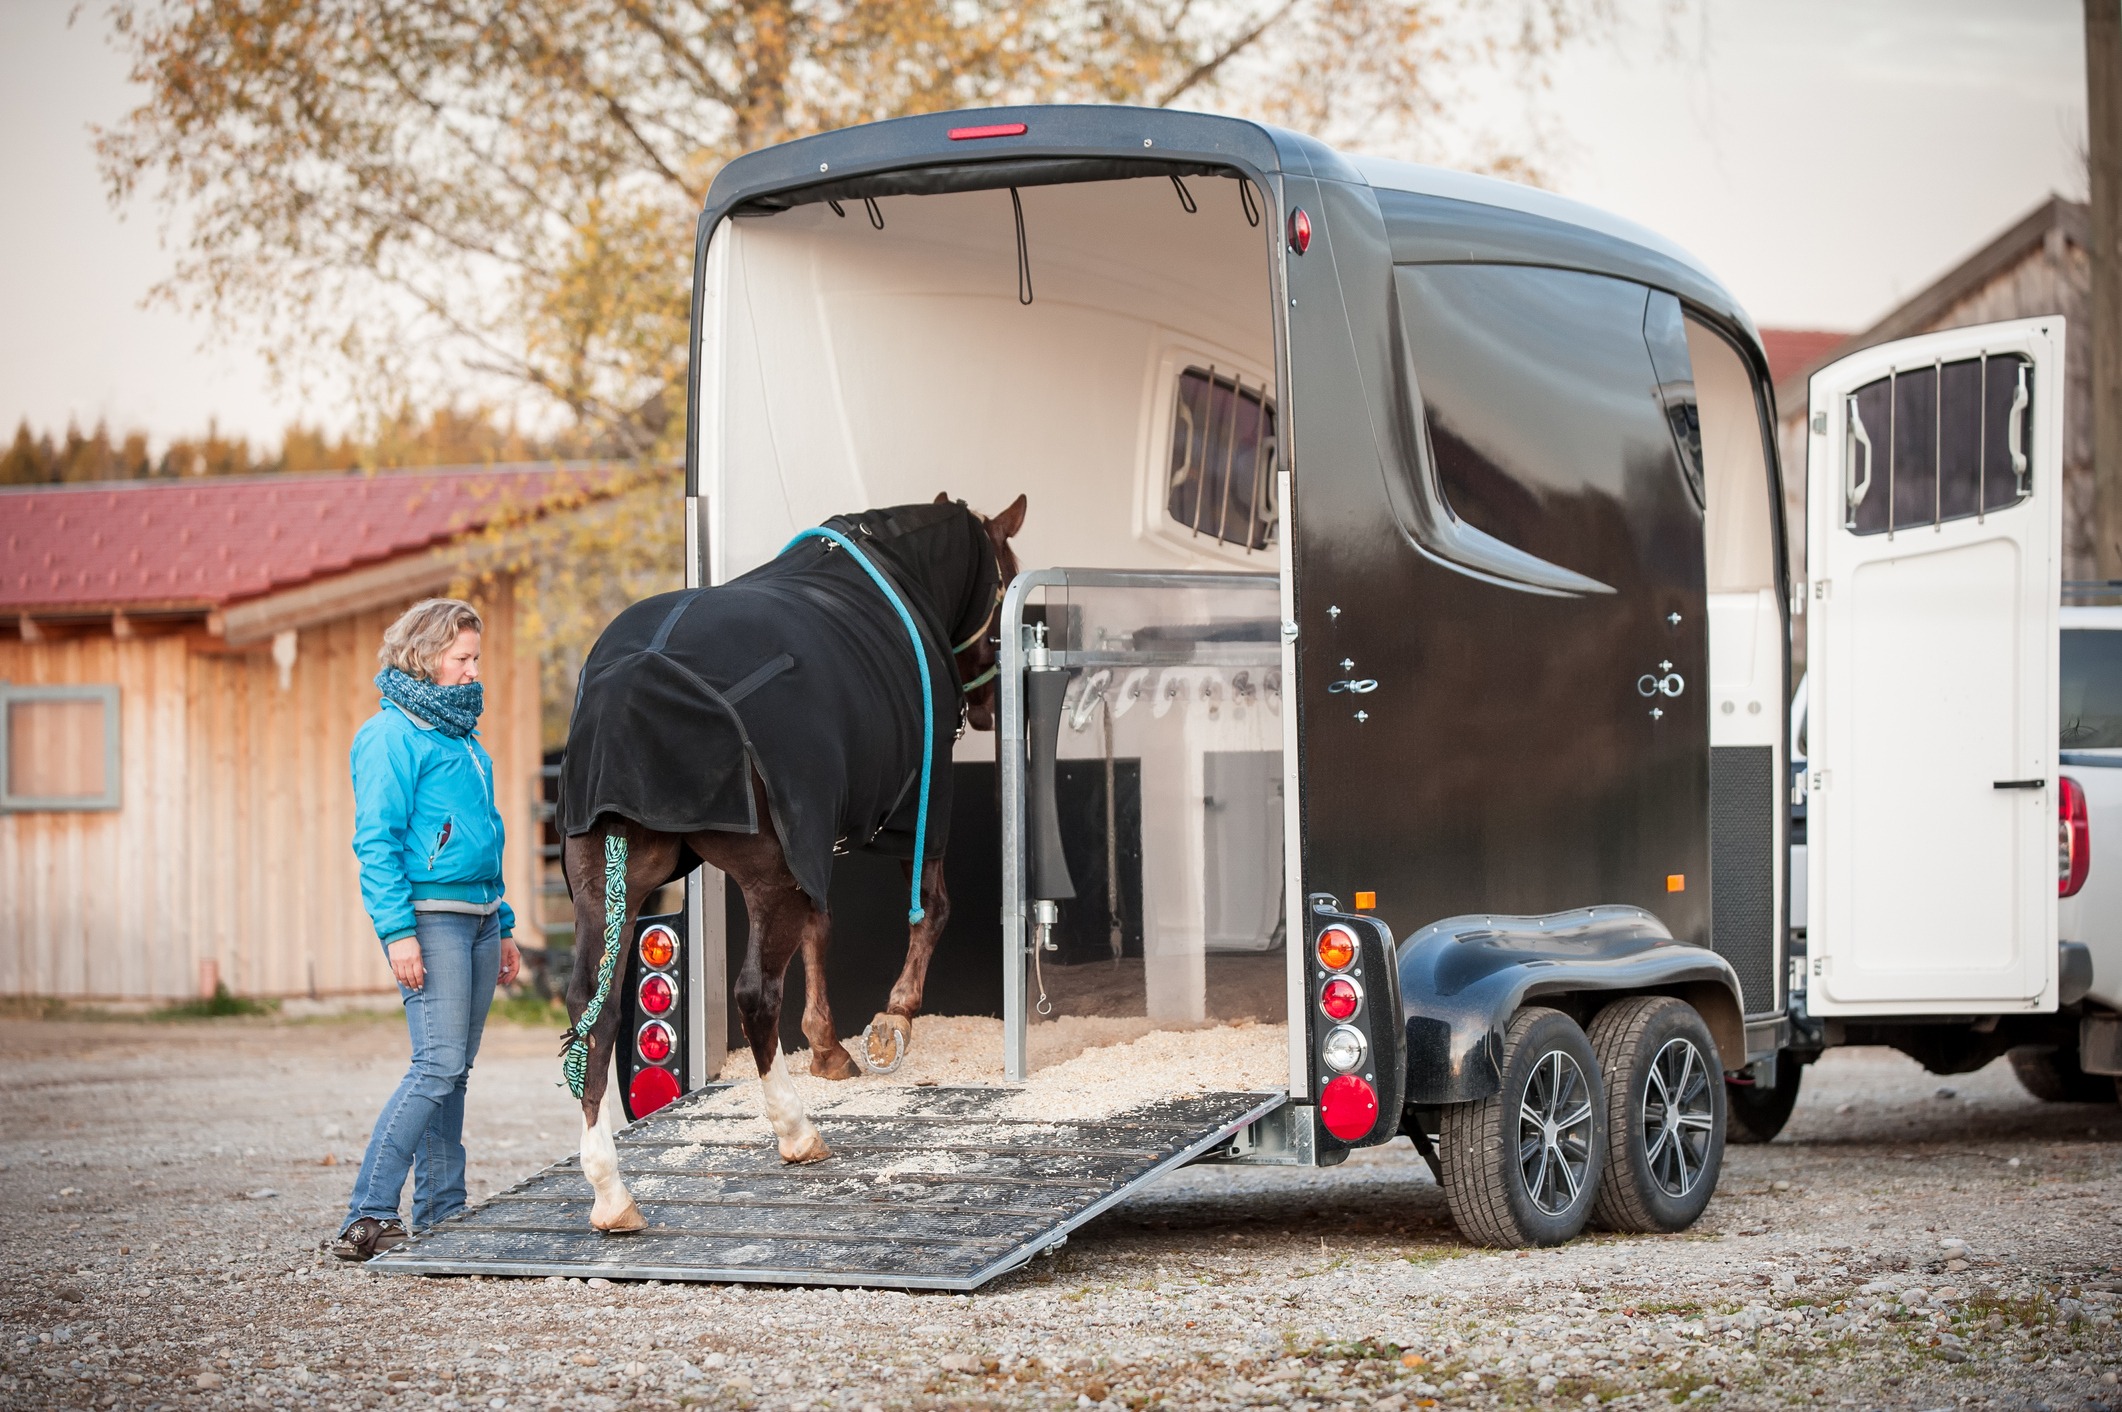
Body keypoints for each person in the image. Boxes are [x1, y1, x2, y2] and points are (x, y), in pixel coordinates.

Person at [333, 598, 521, 1261]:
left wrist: (503, 922)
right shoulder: (390, 736)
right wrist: (397, 933)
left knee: (455, 1072)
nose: (473, 671)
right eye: (462, 658)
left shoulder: (463, 738)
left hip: (479, 918)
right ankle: (368, 1213)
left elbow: (485, 840)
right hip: (431, 919)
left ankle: (443, 1212)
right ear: (425, 654)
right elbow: (376, 844)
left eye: (476, 658)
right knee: (436, 1064)